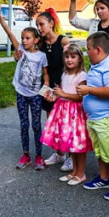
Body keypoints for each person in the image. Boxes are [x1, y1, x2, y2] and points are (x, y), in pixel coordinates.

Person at [0, 4, 49, 170]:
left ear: (36, 40)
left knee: (36, 125)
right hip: (21, 93)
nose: (24, 41)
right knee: (24, 124)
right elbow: (9, 32)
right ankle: (26, 155)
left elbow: (45, 75)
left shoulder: (41, 56)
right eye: (23, 38)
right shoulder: (20, 50)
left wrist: (46, 88)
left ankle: (39, 156)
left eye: (27, 38)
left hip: (35, 95)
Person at [77, 32, 109, 201]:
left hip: (108, 118)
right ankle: (104, 178)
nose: (87, 52)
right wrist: (87, 85)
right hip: (97, 118)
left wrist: (89, 90)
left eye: (88, 49)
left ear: (98, 49)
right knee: (101, 151)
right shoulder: (97, 65)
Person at [41, 43, 91, 185]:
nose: (69, 60)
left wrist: (63, 94)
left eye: (73, 57)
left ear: (80, 59)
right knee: (71, 144)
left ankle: (81, 173)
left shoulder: (82, 75)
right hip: (64, 112)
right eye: (67, 57)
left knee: (78, 145)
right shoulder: (64, 73)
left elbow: (80, 97)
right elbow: (62, 91)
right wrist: (54, 96)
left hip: (76, 112)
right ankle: (74, 171)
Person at [34, 9, 70, 168]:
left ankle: (71, 155)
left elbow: (70, 67)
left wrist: (60, 91)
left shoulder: (63, 41)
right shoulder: (40, 43)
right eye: (37, 25)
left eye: (41, 24)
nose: (39, 28)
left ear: (51, 23)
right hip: (47, 85)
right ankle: (59, 154)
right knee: (51, 122)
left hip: (63, 85)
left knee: (65, 122)